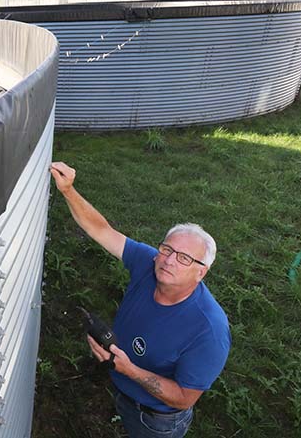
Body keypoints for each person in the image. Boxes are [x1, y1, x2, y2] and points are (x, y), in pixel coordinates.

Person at [49, 161, 231, 438]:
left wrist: (129, 370)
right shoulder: (149, 262)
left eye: (184, 258)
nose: (169, 261)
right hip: (123, 388)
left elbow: (184, 398)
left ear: (201, 272)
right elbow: (102, 230)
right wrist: (68, 190)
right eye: (167, 249)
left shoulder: (209, 330)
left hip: (155, 420)